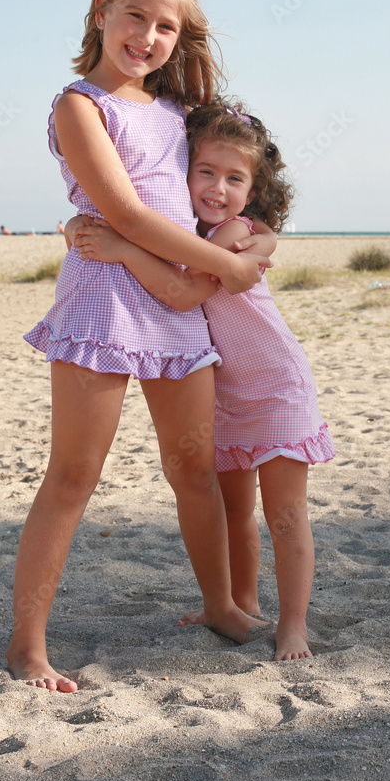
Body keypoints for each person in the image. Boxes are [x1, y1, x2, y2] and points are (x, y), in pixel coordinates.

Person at [8, 0, 272, 693]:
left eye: (165, 27)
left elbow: (238, 191)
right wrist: (221, 268)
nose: (147, 37)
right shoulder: (79, 105)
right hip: (102, 300)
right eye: (135, 16)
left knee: (194, 468)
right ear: (101, 11)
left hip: (176, 308)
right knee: (72, 476)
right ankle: (27, 645)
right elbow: (121, 211)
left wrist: (248, 246)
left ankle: (220, 604)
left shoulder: (184, 116)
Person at [68, 101, 335, 660]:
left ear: (253, 188)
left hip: (274, 383)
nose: (217, 188)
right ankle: (239, 606)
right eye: (205, 172)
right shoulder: (191, 231)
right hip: (226, 391)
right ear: (183, 172)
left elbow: (185, 292)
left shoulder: (233, 232)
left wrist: (120, 248)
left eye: (234, 178)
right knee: (235, 511)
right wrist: (79, 225)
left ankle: (293, 625)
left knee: (285, 514)